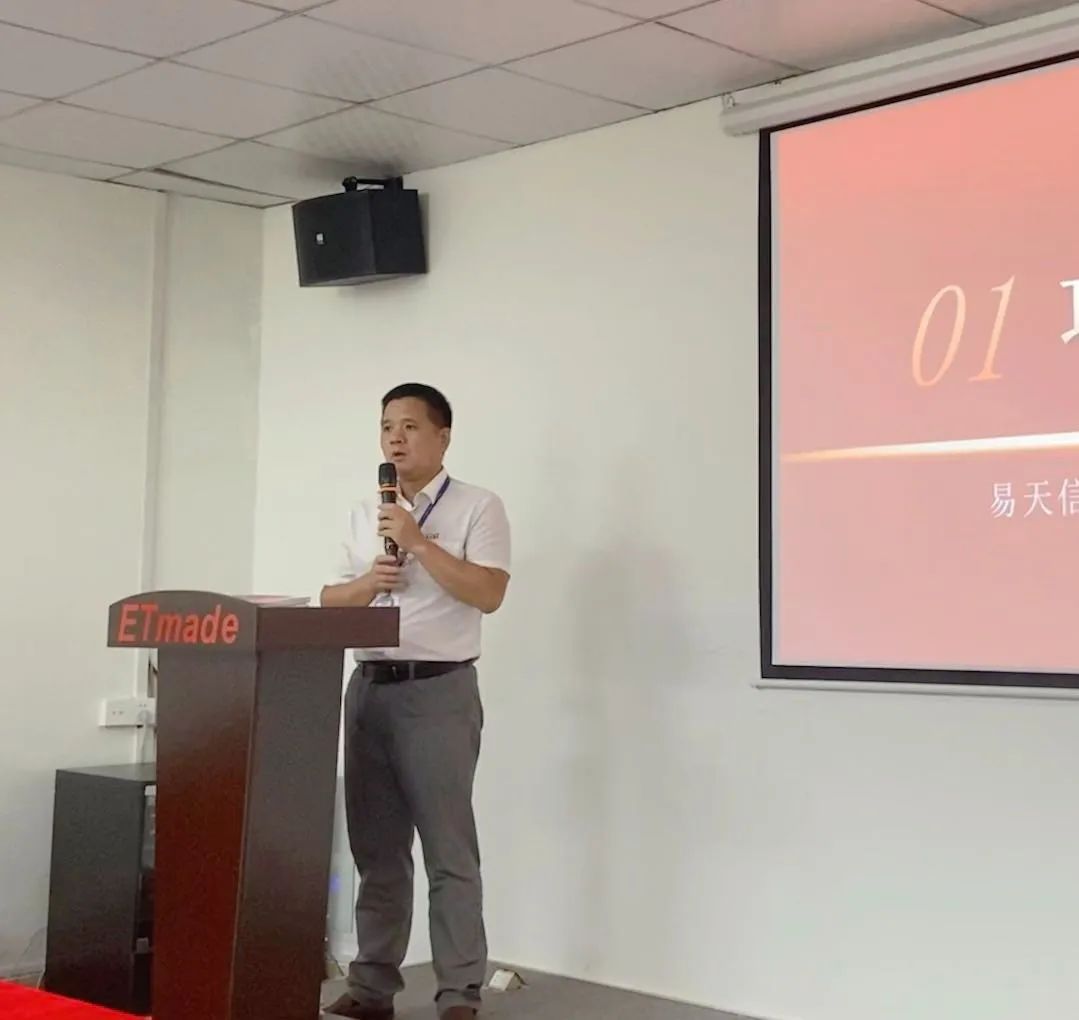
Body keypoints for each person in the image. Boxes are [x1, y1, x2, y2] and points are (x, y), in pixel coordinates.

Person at [322, 383, 511, 1020]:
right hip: (369, 690)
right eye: (386, 427)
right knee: (376, 850)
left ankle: (459, 993)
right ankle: (372, 987)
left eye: (408, 426)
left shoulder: (478, 507)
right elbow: (329, 601)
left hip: (439, 692)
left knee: (448, 851)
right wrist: (367, 582)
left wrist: (420, 544)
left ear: (442, 436)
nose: (394, 439)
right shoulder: (363, 514)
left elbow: (489, 594)